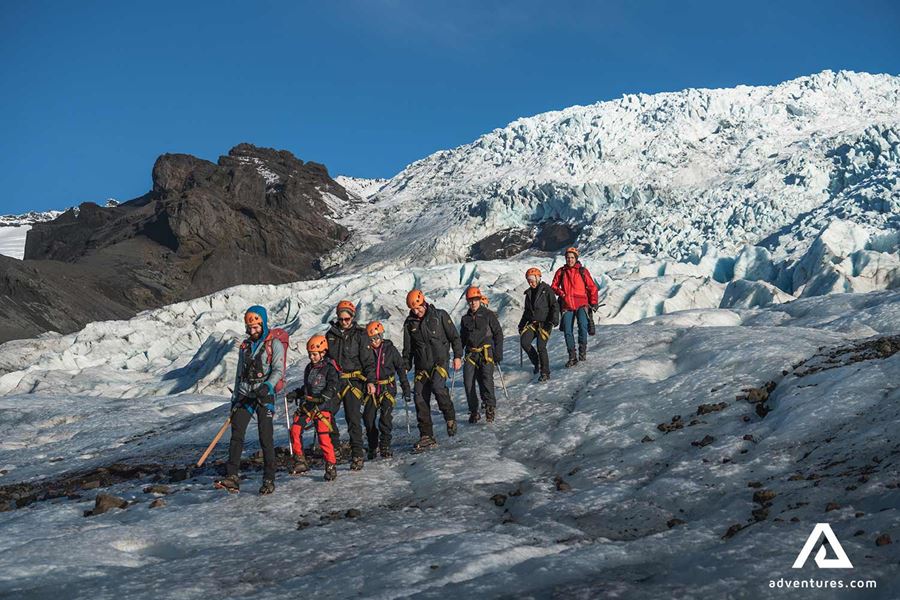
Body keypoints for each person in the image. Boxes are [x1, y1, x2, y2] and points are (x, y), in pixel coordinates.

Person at [215, 305, 284, 495]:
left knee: (265, 436)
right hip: (245, 394)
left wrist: (267, 386)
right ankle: (232, 477)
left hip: (264, 394)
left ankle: (269, 479)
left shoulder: (274, 344)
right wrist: (235, 400)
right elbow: (239, 374)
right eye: (250, 327)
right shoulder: (244, 347)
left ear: (263, 323)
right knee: (237, 435)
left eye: (256, 327)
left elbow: (278, 370)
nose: (252, 331)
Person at [402, 289, 462, 451]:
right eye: (413, 309)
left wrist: (457, 356)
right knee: (419, 398)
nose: (417, 311)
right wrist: (406, 365)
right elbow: (408, 350)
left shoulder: (440, 316)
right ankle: (426, 435)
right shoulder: (409, 324)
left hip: (440, 362)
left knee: (438, 387)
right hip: (422, 367)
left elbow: (454, 337)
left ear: (424, 303)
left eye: (419, 307)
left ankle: (450, 417)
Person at [324, 300, 376, 471]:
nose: (344, 322)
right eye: (342, 318)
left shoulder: (360, 335)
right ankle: (335, 447)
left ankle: (357, 454)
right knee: (326, 414)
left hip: (354, 381)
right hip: (335, 381)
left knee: (353, 418)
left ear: (353, 317)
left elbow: (368, 361)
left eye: (347, 318)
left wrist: (370, 381)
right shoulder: (330, 335)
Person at [286, 335, 339, 481]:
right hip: (308, 405)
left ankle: (330, 465)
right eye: (310, 354)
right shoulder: (309, 368)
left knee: (323, 437)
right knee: (295, 429)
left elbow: (333, 386)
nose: (312, 357)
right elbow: (307, 388)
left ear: (323, 353)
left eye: (314, 354)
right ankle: (300, 460)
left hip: (322, 407)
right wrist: (297, 393)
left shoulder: (330, 369)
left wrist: (324, 397)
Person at [363, 321, 410, 459]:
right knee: (368, 418)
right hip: (371, 389)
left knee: (385, 417)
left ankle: (385, 445)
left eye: (377, 337)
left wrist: (405, 387)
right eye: (371, 339)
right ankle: (372, 445)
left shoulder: (390, 349)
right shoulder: (365, 351)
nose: (375, 341)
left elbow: (400, 368)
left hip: (387, 387)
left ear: (382, 336)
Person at [459, 286, 503, 423]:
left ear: (480, 300)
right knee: (468, 383)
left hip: (486, 352)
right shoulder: (465, 319)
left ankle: (490, 406)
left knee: (486, 379)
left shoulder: (488, 315)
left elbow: (498, 333)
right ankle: (474, 410)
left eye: (475, 300)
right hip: (471, 354)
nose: (473, 303)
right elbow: (462, 338)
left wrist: (498, 353)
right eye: (471, 300)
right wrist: (457, 354)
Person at [551, 247, 599, 368]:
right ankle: (572, 357)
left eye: (572, 257)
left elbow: (592, 287)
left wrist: (593, 302)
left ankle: (582, 352)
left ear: (576, 258)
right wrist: (562, 293)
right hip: (567, 305)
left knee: (583, 327)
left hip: (582, 304)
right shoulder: (561, 272)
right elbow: (554, 286)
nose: (570, 260)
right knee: (568, 331)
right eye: (568, 257)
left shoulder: (582, 271)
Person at [518, 267, 559, 382]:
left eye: (532, 279)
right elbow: (527, 312)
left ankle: (545, 372)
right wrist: (522, 325)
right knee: (525, 342)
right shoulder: (529, 293)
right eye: (528, 280)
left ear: (538, 278)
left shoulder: (547, 290)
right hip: (532, 323)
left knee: (541, 347)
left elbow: (554, 306)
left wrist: (553, 320)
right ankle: (537, 363)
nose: (531, 282)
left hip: (545, 324)